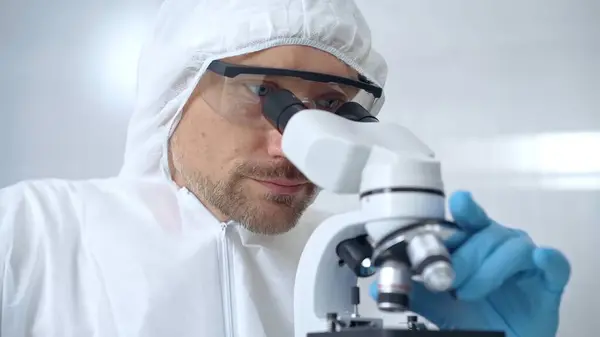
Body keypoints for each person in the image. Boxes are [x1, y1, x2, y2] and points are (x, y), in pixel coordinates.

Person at [0, 0, 570, 336]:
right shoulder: (31, 232)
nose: (294, 146)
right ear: (175, 91)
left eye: (327, 108)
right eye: (263, 94)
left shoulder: (374, 271)